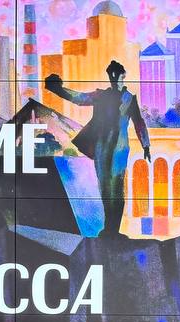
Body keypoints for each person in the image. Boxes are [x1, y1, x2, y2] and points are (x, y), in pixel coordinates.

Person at [45, 61, 151, 237]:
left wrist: (146, 145)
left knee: (116, 187)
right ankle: (109, 229)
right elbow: (79, 98)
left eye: (117, 75)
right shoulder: (100, 96)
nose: (114, 78)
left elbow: (139, 123)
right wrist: (58, 89)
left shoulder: (129, 99)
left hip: (119, 149)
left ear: (122, 76)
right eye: (112, 75)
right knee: (105, 188)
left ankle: (114, 230)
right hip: (102, 147)